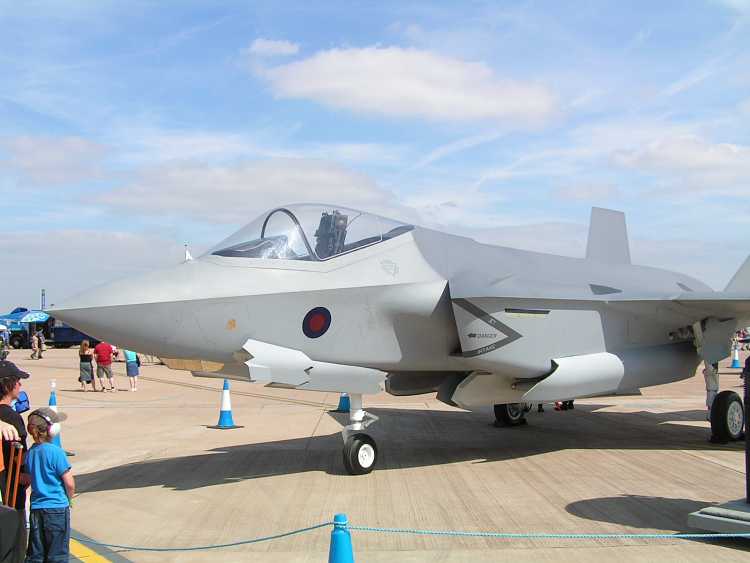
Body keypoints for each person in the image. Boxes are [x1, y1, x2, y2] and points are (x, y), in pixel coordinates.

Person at [25, 407, 74, 563]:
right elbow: (69, 483)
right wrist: (70, 498)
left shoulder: (30, 453)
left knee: (36, 553)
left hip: (36, 508)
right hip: (57, 508)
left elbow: (27, 478)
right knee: (57, 554)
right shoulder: (56, 452)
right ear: (51, 430)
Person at [0, 362, 31, 514]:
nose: (20, 384)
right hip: (10, 486)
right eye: (17, 380)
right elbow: (19, 456)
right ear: (7, 386)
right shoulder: (12, 417)